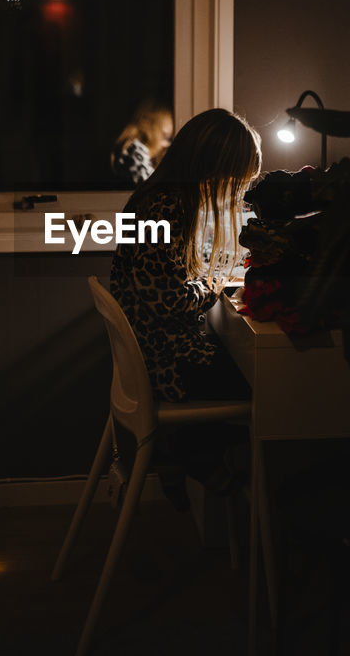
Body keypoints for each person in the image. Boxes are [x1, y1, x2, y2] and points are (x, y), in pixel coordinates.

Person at [109, 108, 259, 500]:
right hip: (166, 362)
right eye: (230, 181)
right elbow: (170, 299)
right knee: (263, 385)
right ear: (211, 169)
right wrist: (213, 284)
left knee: (245, 373)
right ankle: (202, 459)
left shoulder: (159, 198)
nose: (228, 191)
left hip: (153, 353)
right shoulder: (164, 207)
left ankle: (188, 453)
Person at [110, 100, 174, 185]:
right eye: (166, 137)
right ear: (151, 130)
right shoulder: (134, 151)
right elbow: (151, 189)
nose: (167, 145)